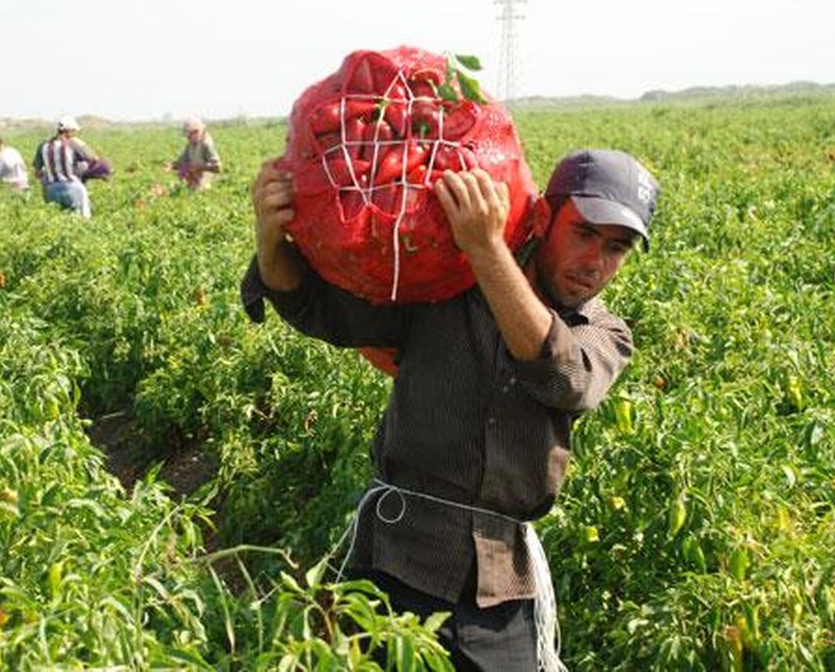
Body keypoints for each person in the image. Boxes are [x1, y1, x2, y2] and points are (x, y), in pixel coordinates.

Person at [242, 148, 660, 670]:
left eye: (616, 247)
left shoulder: (603, 333)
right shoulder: (446, 288)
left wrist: (486, 250)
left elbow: (564, 375)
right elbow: (317, 307)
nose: (595, 260)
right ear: (542, 218)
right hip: (395, 564)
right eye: (583, 233)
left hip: (501, 588)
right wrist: (269, 236)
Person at [33, 116, 101, 217]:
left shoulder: (43, 145)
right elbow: (95, 159)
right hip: (72, 187)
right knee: (82, 220)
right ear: (68, 131)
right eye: (73, 131)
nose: (74, 134)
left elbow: (37, 173)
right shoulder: (73, 142)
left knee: (57, 219)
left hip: (50, 190)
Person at [171, 117, 222, 190]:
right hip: (192, 182)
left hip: (203, 186)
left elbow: (217, 167)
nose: (188, 138)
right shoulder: (191, 144)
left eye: (189, 135)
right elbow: (182, 160)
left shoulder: (206, 144)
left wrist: (198, 167)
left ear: (197, 132)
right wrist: (172, 165)